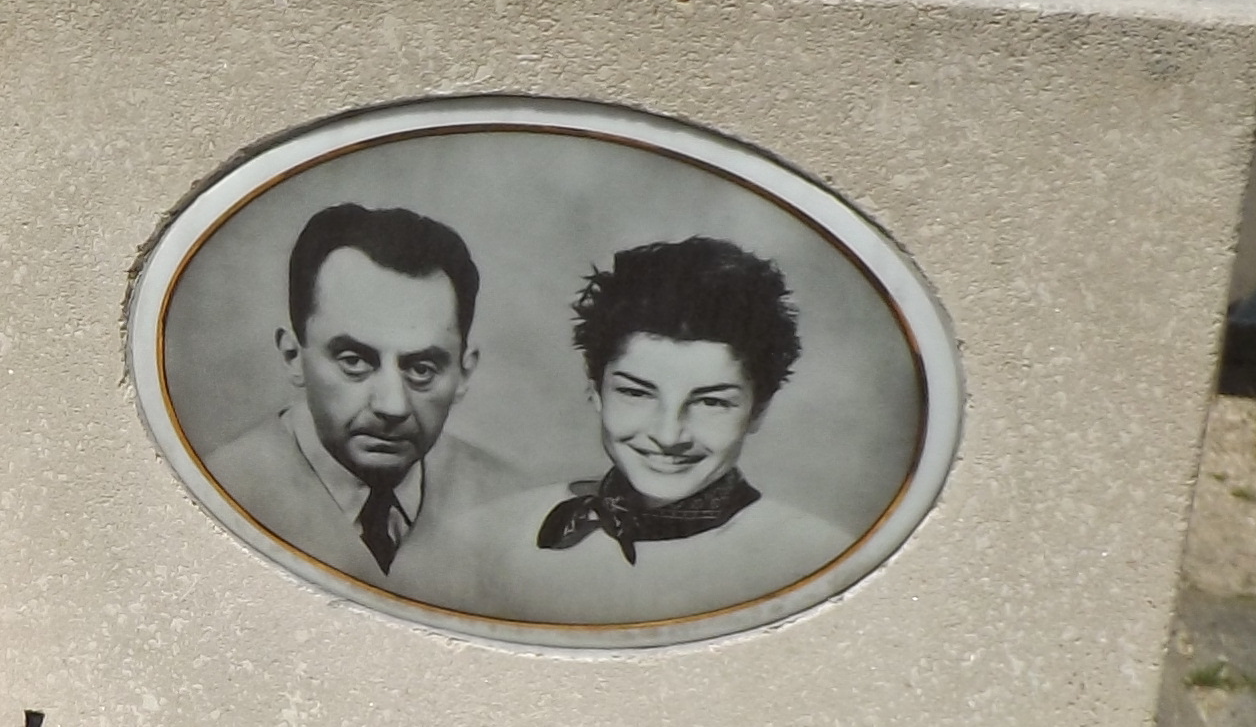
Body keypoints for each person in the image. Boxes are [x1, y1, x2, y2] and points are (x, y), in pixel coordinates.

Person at [400, 234, 848, 621]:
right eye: (637, 393)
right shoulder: (490, 539)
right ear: (596, 390)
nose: (669, 435)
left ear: (759, 411)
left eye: (711, 402)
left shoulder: (819, 559)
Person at [196, 200, 482, 592]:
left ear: (464, 373)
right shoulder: (212, 496)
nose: (391, 406)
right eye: (354, 361)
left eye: (421, 369)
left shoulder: (514, 505)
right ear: (293, 356)